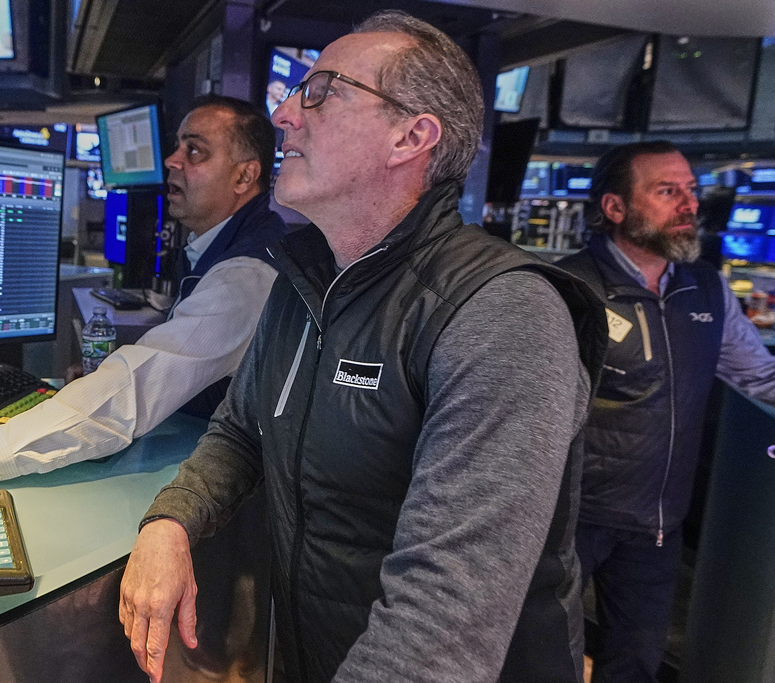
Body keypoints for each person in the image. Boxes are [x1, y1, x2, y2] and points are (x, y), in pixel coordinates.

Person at [119, 10, 607, 683]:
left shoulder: (502, 313)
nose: (286, 112)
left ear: (412, 135)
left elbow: (441, 622)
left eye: (321, 91)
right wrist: (170, 522)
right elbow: (240, 431)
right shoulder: (302, 283)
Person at [0, 96, 289, 486]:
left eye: (195, 152)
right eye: (176, 147)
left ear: (245, 176)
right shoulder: (230, 247)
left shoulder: (247, 276)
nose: (171, 160)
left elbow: (135, 392)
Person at [555, 141, 775, 682]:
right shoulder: (568, 289)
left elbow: (760, 377)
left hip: (657, 524)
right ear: (615, 208)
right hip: (569, 519)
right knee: (540, 656)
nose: (688, 204)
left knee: (636, 665)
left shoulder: (705, 289)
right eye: (666, 190)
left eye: (691, 190)